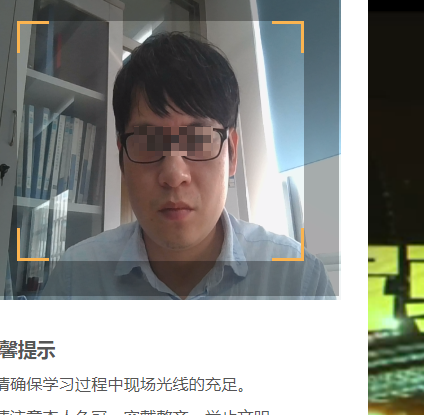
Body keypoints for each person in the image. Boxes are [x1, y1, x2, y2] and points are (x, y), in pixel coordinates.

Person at [39, 32, 333, 299]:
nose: (174, 174)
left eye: (198, 140)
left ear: (231, 154)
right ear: (122, 159)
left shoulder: (298, 282)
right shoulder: (75, 280)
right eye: (148, 143)